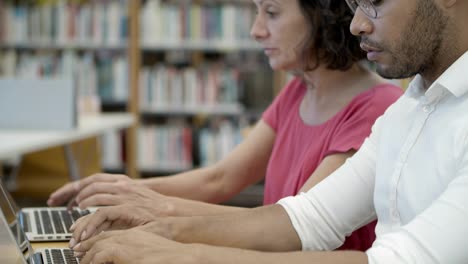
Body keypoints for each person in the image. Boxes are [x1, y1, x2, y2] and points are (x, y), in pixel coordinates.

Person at [69, 0, 468, 263]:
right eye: (354, 5)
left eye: (375, 2)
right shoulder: (409, 108)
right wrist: (160, 229)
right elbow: (307, 218)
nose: (358, 24)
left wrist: (182, 252)